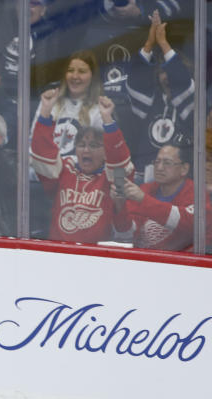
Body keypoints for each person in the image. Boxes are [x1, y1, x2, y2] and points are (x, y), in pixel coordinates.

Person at [31, 90, 134, 244]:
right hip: (58, 253)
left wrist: (107, 119)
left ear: (106, 152)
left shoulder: (112, 177)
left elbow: (120, 164)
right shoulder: (66, 169)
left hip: (96, 257)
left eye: (93, 145)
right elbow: (42, 157)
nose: (86, 150)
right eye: (81, 145)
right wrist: (45, 111)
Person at [124, 9, 195, 183]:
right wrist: (150, 42)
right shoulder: (150, 100)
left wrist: (163, 43)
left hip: (178, 181)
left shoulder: (192, 103)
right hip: (143, 177)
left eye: (170, 72)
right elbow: (135, 80)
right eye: (163, 72)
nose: (167, 77)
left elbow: (181, 79)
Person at [115, 141, 196, 251]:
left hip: (177, 264)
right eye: (157, 162)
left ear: (184, 169)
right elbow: (126, 235)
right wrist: (120, 207)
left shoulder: (197, 193)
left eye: (167, 163)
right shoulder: (146, 189)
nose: (159, 167)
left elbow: (191, 224)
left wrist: (144, 200)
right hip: (140, 260)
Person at [31, 50, 104, 160]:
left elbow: (102, 155)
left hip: (79, 174)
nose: (75, 76)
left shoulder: (99, 110)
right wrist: (46, 109)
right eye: (70, 70)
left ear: (92, 76)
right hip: (45, 170)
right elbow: (33, 143)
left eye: (82, 71)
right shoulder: (49, 102)